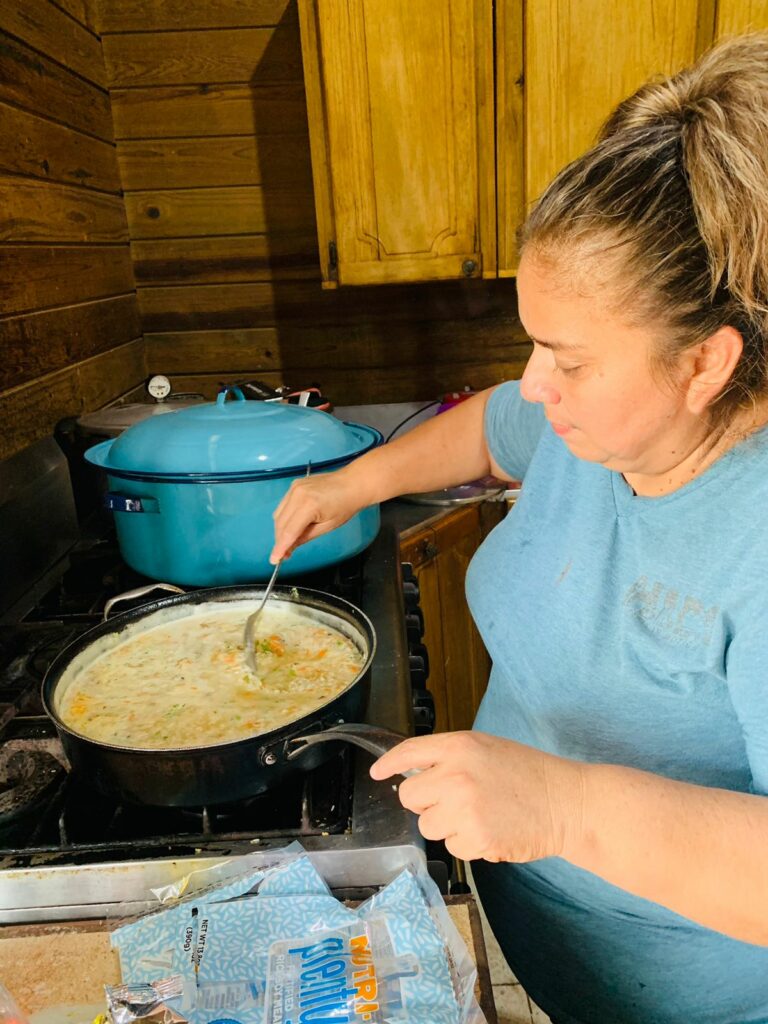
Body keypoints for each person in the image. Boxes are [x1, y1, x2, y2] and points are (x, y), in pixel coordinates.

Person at [271, 34, 768, 1024]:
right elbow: (495, 424)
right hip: (520, 934)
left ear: (705, 364)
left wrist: (561, 807)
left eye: (569, 360)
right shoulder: (598, 425)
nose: (538, 383)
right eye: (534, 344)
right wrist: (354, 481)